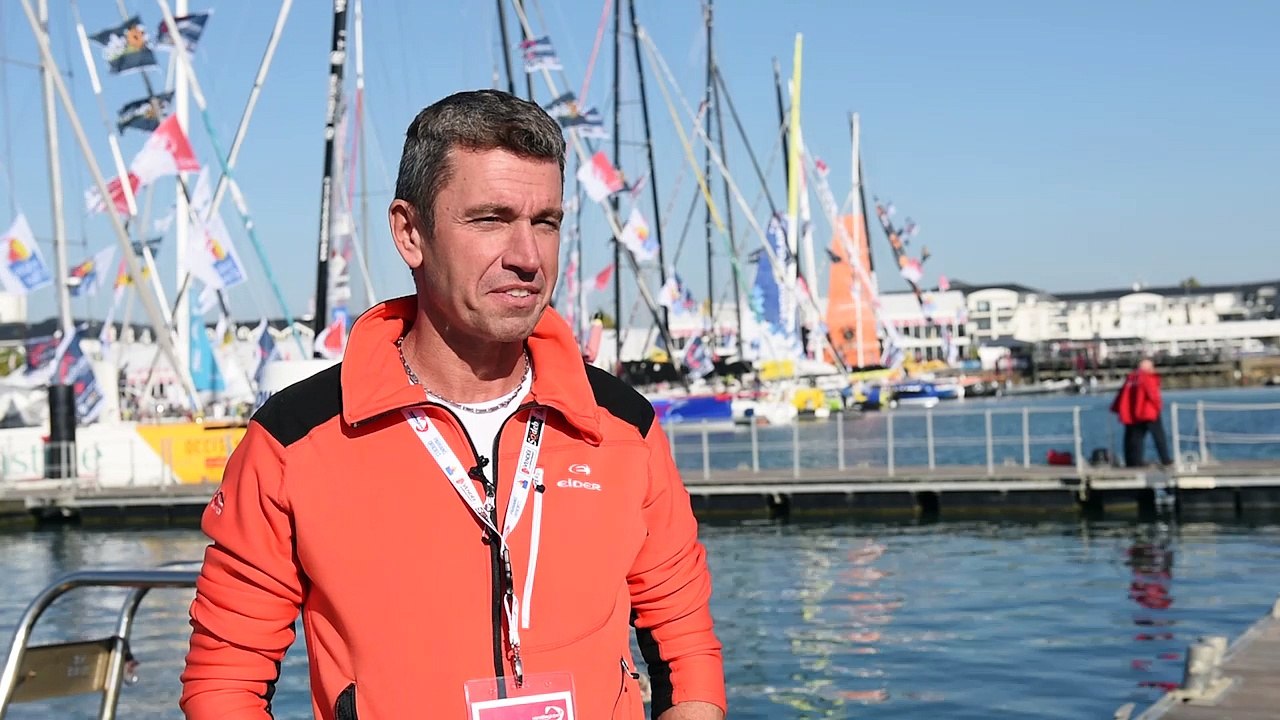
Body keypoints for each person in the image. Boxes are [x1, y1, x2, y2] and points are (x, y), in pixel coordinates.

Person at [180, 90, 726, 720]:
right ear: (410, 234)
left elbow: (685, 649)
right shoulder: (295, 441)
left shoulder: (622, 426)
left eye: (545, 221)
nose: (526, 256)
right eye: (490, 219)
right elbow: (226, 678)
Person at [1110, 358, 1174, 468]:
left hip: (1133, 412)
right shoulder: (1147, 378)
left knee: (1134, 438)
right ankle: (1165, 459)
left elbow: (1122, 395)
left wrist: (1118, 409)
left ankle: (1133, 462)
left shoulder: (1131, 378)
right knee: (1159, 436)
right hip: (1149, 412)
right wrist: (1158, 406)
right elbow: (1152, 393)